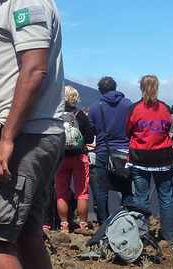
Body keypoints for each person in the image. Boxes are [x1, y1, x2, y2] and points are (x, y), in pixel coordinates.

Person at [0, 0, 64, 268]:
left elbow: (34, 70)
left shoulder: (24, 2)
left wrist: (7, 138)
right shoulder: (8, 6)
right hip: (33, 131)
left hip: (21, 132)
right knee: (26, 235)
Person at [125, 75, 173, 244]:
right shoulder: (164, 108)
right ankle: (170, 236)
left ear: (141, 87)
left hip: (139, 158)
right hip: (163, 158)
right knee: (167, 197)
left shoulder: (135, 108)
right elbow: (168, 127)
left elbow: (128, 130)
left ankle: (141, 235)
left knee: (141, 198)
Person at [87, 76, 134, 225]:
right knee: (126, 187)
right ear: (115, 87)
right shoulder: (128, 105)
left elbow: (92, 129)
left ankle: (104, 222)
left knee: (102, 189)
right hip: (124, 151)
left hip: (103, 151)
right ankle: (127, 220)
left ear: (100, 90)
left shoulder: (95, 107)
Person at [54, 86, 95, 234]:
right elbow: (90, 138)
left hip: (60, 159)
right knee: (82, 192)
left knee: (61, 192)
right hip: (79, 157)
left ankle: (64, 224)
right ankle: (83, 225)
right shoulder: (81, 116)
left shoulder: (56, 115)